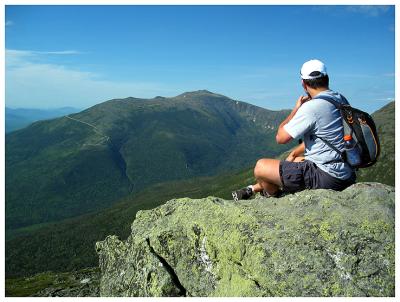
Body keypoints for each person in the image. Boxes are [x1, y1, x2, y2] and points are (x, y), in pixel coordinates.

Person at [232, 59, 356, 201]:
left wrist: (296, 109)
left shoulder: (312, 107)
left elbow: (281, 138)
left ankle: (273, 196)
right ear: (326, 79)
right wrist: (294, 153)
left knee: (260, 167)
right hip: (346, 172)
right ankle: (253, 189)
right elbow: (328, 138)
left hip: (327, 177)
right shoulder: (340, 100)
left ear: (304, 84)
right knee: (296, 160)